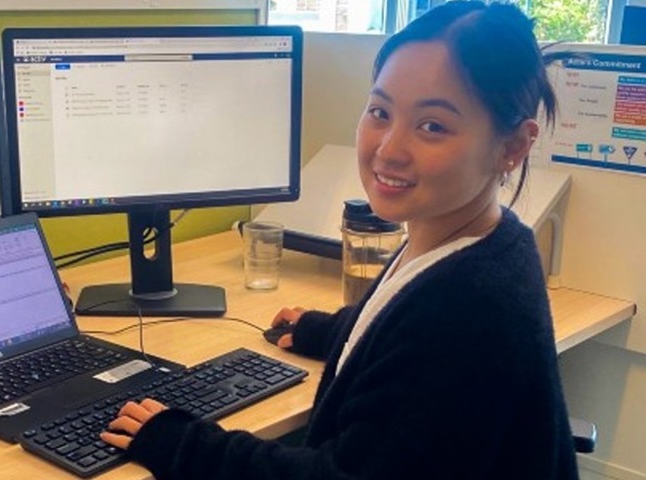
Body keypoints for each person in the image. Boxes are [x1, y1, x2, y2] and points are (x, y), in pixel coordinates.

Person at [99, 1, 580, 479]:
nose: (389, 149)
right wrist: (332, 332)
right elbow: (409, 345)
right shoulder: (484, 241)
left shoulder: (470, 305)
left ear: (514, 146)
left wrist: (183, 444)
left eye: (432, 126)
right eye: (380, 110)